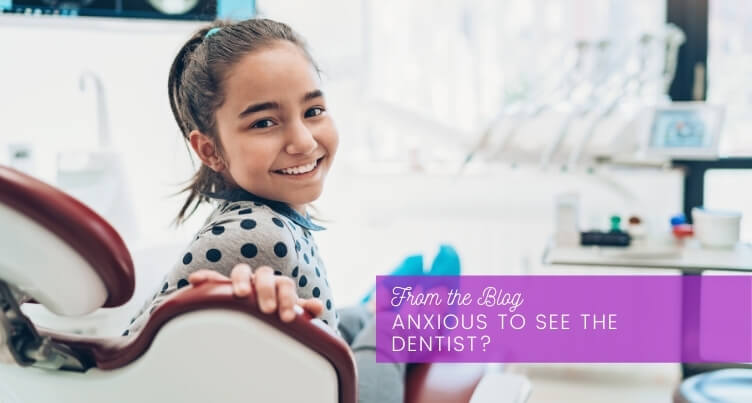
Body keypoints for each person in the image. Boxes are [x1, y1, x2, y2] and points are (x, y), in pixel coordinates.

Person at [125, 18, 407, 403]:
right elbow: (132, 363)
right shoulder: (257, 236)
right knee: (401, 323)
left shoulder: (260, 216)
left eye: (313, 110)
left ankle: (381, 305)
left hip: (304, 373)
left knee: (357, 318)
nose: (304, 142)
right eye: (265, 122)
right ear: (210, 150)